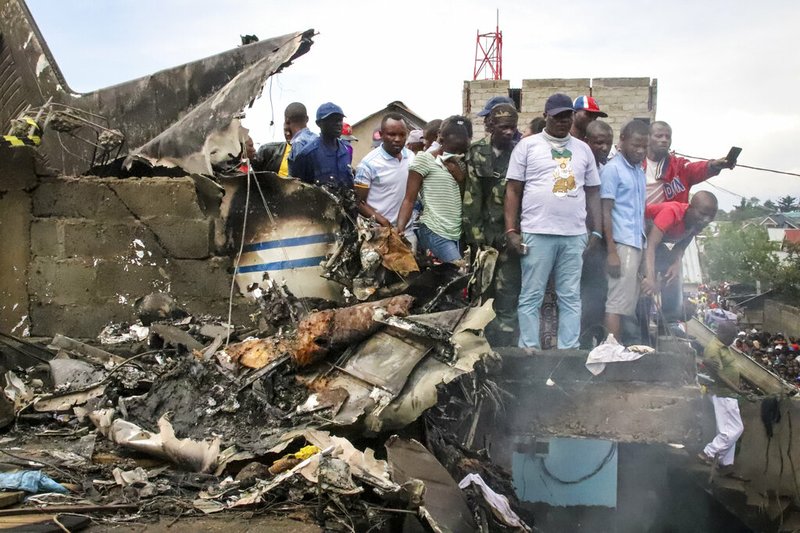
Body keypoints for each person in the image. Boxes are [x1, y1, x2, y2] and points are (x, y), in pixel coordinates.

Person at [505, 93, 602, 349]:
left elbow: (593, 192)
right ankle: (529, 348)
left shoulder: (583, 150)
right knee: (531, 295)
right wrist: (512, 231)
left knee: (570, 296)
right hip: (537, 232)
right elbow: (513, 190)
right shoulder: (527, 146)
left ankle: (568, 350)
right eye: (557, 116)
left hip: (574, 235)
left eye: (567, 115)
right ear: (546, 116)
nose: (562, 121)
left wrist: (597, 231)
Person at [463, 103, 520, 344]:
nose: (509, 132)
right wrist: (476, 240)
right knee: (482, 290)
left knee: (508, 289)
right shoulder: (477, 152)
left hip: (510, 234)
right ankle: (478, 341)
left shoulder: (520, 152)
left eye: (512, 127)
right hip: (484, 236)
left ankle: (506, 341)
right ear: (490, 125)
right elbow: (472, 198)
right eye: (504, 127)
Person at [397, 116, 472, 263]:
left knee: (450, 277)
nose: (456, 152)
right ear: (441, 138)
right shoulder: (424, 160)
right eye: (453, 147)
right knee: (459, 271)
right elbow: (409, 199)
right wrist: (399, 230)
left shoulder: (462, 165)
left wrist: (460, 177)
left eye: (461, 149)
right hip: (434, 229)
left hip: (456, 232)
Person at [600, 120, 649, 341]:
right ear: (622, 141)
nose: (640, 150)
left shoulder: (639, 172)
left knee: (626, 303)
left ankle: (618, 349)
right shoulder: (613, 169)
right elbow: (605, 211)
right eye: (635, 145)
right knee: (616, 303)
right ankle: (612, 351)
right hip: (622, 244)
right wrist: (611, 251)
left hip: (636, 243)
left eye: (644, 146)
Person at [641, 191, 719, 298]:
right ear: (690, 208)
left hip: (656, 245)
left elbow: (680, 248)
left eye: (711, 217)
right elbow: (650, 244)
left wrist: (676, 264)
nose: (706, 220)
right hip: (638, 239)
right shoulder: (672, 212)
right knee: (646, 279)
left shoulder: (696, 224)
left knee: (674, 275)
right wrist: (649, 277)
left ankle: (671, 311)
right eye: (702, 214)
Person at [644, 121, 736, 205]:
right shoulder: (635, 164)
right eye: (659, 136)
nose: (664, 140)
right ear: (647, 138)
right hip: (637, 220)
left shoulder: (679, 166)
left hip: (667, 222)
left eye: (668, 137)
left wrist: (713, 165)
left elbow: (695, 168)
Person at [698, 320, 748, 474]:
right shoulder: (713, 349)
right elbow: (718, 375)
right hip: (723, 393)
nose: (734, 340)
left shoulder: (722, 346)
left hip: (728, 394)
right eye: (732, 336)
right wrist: (738, 390)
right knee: (734, 429)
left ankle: (725, 462)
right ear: (724, 334)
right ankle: (708, 453)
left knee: (727, 429)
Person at [354, 113, 412, 231]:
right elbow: (358, 202)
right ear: (381, 135)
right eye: (392, 134)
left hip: (406, 229)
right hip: (378, 230)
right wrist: (383, 222)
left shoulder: (411, 157)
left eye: (402, 135)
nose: (397, 139)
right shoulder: (368, 165)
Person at [291, 102, 353, 188]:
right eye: (332, 120)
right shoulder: (307, 155)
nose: (338, 123)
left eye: (340, 120)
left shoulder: (345, 151)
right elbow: (296, 190)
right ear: (319, 123)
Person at [283, 102, 317, 172]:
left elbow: (298, 178)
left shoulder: (298, 143)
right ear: (307, 119)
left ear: (287, 120)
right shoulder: (316, 138)